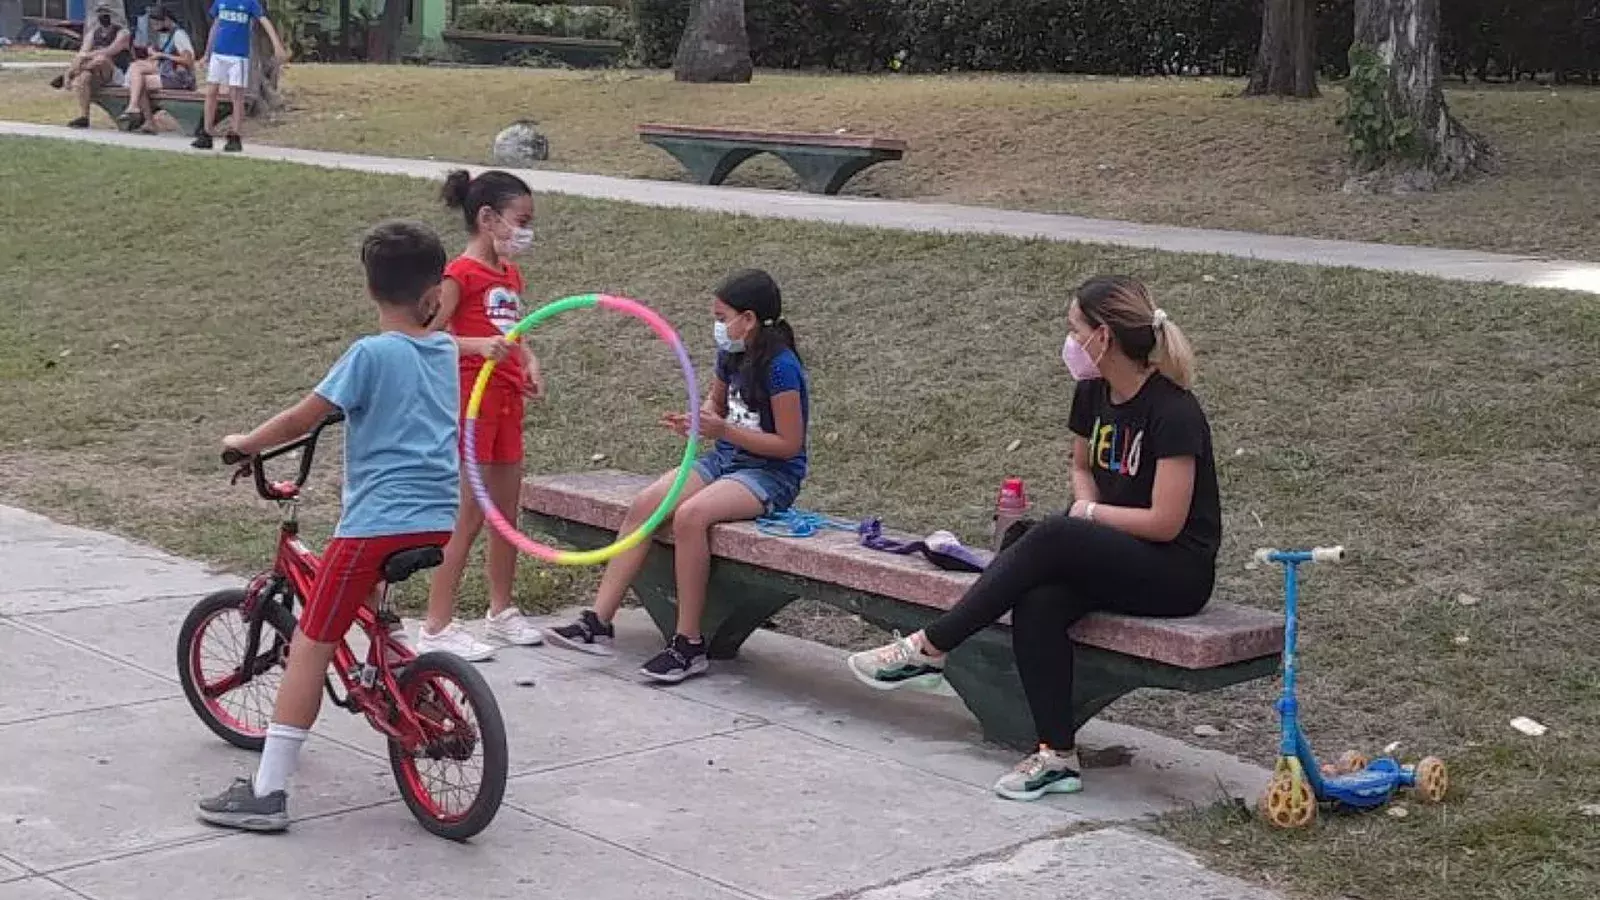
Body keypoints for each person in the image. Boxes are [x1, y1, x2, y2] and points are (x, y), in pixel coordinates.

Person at [845, 275, 1220, 803]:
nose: (1069, 341)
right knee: (1039, 601)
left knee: (1056, 532)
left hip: (1174, 571)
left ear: (1103, 337)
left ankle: (930, 647)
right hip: (1113, 554)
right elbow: (1081, 466)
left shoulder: (1174, 410)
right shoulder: (1092, 392)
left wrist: (1088, 514)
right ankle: (1057, 756)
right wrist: (1087, 509)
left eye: (1074, 328)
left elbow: (1166, 523)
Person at [195, 220, 488, 832]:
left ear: (369, 290)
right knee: (369, 607)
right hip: (436, 519)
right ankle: (404, 679)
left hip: (376, 524)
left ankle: (268, 794)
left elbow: (305, 417)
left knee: (309, 647)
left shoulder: (368, 354)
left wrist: (246, 444)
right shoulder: (439, 348)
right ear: (435, 294)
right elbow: (450, 345)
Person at [545, 269, 810, 684]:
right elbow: (716, 406)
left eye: (723, 317)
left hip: (770, 475)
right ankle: (598, 621)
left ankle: (688, 644)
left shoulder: (781, 368)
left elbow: (789, 445)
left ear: (750, 319)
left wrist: (723, 431)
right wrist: (699, 420)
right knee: (647, 504)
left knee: (690, 517)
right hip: (726, 459)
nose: (718, 327)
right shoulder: (732, 354)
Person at [417, 169, 547, 662]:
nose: (526, 231)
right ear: (488, 218)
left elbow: (514, 330)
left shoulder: (509, 274)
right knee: (469, 515)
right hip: (471, 406)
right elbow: (425, 336)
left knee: (504, 513)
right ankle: (436, 624)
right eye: (522, 220)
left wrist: (528, 360)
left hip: (507, 403)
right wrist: (476, 345)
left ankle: (501, 610)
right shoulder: (460, 275)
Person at [192, 0, 287, 152]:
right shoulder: (221, 2)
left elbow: (264, 21)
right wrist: (207, 53)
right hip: (219, 53)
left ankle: (235, 134)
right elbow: (215, 26)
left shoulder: (250, 3)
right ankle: (207, 132)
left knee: (236, 95)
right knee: (211, 92)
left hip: (238, 56)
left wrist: (277, 45)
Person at [118, 4, 195, 133]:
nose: (154, 27)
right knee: (136, 71)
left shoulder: (179, 35)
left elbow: (188, 60)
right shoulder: (165, 35)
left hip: (180, 78)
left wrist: (162, 55)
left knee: (138, 82)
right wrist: (154, 55)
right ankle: (136, 110)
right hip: (167, 73)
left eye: (156, 24)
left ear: (166, 20)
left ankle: (141, 114)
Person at [56, 0, 132, 129]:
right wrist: (74, 67)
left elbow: (110, 51)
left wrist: (88, 55)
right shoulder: (93, 34)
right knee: (84, 77)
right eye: (101, 13)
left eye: (106, 13)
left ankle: (70, 76)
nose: (103, 16)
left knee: (101, 59)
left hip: (118, 73)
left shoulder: (123, 33)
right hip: (97, 71)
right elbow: (82, 53)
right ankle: (84, 117)